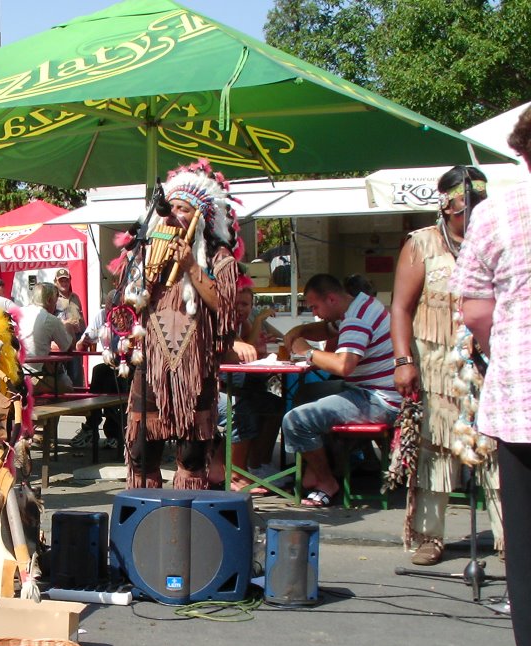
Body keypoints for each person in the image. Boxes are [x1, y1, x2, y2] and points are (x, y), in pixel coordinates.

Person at [451, 105, 531, 646]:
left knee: (526, 548)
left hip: (522, 399)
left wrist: (503, 343)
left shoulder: (498, 211)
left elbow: (475, 308)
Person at [390, 165, 501, 566]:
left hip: (490, 366)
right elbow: (400, 309)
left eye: (476, 208)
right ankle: (430, 536)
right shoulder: (421, 245)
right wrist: (403, 361)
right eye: (462, 211)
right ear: (445, 209)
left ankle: (510, 538)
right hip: (435, 368)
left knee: (494, 448)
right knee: (435, 449)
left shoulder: (496, 243)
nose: (470, 218)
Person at [117, 160, 238, 489]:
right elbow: (125, 308)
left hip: (195, 371)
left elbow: (227, 309)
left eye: (182, 209)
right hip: (152, 366)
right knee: (142, 453)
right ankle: (143, 527)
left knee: (192, 455)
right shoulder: (147, 255)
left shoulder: (219, 259)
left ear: (198, 220)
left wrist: (190, 267)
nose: (172, 215)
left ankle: (187, 528)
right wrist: (143, 277)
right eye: (169, 209)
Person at [282, 274, 400, 506]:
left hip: (378, 399)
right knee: (305, 394)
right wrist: (299, 330)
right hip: (369, 389)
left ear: (332, 299)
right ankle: (314, 467)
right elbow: (327, 329)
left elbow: (343, 365)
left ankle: (326, 480)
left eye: (316, 306)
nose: (315, 312)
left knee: (295, 420)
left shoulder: (357, 319)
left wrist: (306, 351)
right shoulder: (359, 304)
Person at [210, 283, 282, 491]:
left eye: (246, 304)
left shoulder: (242, 324)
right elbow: (246, 348)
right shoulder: (222, 325)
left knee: (274, 405)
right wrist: (259, 320)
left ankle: (258, 465)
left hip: (234, 387)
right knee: (241, 411)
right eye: (237, 304)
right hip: (210, 391)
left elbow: (252, 350)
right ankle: (235, 475)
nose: (241, 309)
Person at [71, 290, 127, 450]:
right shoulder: (101, 315)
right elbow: (80, 345)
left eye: (115, 307)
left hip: (128, 365)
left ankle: (101, 429)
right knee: (99, 372)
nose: (112, 311)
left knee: (107, 378)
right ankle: (96, 427)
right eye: (109, 307)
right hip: (110, 364)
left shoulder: (130, 316)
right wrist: (85, 342)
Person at [16, 282, 75, 396]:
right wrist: (69, 327)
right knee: (66, 384)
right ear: (49, 300)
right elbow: (68, 348)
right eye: (55, 301)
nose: (55, 306)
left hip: (13, 375)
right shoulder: (50, 319)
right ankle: (52, 413)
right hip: (33, 378)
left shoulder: (17, 312)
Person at [54, 267, 86, 388]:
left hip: (77, 338)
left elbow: (81, 316)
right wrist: (65, 323)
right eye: (61, 281)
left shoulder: (75, 297)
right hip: (61, 339)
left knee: (77, 371)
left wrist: (85, 334)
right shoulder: (54, 298)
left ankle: (78, 397)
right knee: (63, 371)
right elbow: (49, 319)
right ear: (56, 282)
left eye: (66, 280)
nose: (64, 283)